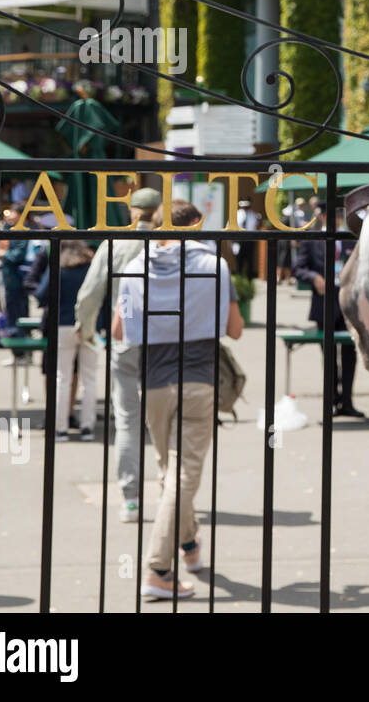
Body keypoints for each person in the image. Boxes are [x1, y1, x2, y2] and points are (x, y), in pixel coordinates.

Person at [114, 199, 243, 600]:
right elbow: (235, 330)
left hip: (154, 380)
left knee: (168, 470)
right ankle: (157, 568)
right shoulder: (213, 266)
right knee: (183, 475)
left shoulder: (135, 267)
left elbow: (119, 329)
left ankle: (188, 546)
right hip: (199, 376)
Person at [74, 187, 162, 521]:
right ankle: (172, 493)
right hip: (164, 339)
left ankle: (131, 499)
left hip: (124, 334)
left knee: (127, 420)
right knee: (167, 418)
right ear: (159, 210)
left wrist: (87, 332)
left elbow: (90, 294)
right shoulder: (170, 241)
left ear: (132, 211)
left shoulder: (116, 244)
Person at [293, 207, 362, 417]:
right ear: (323, 217)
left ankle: (347, 402)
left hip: (348, 305)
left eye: (340, 216)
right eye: (333, 216)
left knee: (350, 355)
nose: (338, 220)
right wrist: (314, 277)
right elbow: (298, 268)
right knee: (329, 356)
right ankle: (331, 400)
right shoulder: (313, 240)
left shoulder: (350, 239)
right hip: (325, 305)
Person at [35, 240, 98, 441]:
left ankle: (59, 427)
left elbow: (41, 295)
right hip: (89, 325)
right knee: (89, 378)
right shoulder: (91, 270)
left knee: (62, 377)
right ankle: (87, 426)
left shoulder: (59, 270)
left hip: (62, 325)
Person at [234, 199, 260, 278]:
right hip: (239, 241)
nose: (245, 208)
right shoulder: (236, 215)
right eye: (243, 206)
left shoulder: (254, 215)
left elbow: (256, 226)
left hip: (250, 241)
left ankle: (249, 278)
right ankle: (239, 278)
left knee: (250, 260)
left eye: (246, 206)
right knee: (239, 261)